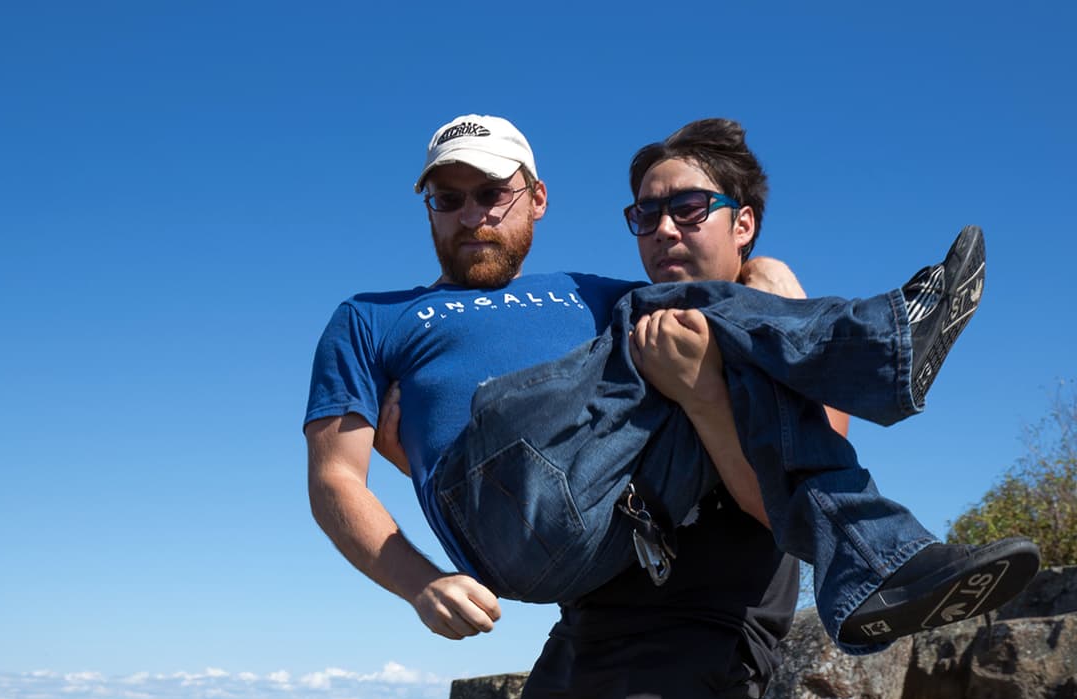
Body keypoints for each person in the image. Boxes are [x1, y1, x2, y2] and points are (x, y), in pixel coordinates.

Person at [348, 119, 1039, 652]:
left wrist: (767, 273)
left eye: (493, 193)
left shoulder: (587, 293)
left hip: (592, 528)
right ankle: (888, 341)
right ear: (430, 207)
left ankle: (874, 566)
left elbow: (726, 294)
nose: (472, 214)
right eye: (449, 197)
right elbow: (335, 482)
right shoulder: (373, 316)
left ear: (536, 199)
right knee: (664, 313)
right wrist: (421, 583)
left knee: (690, 323)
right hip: (496, 503)